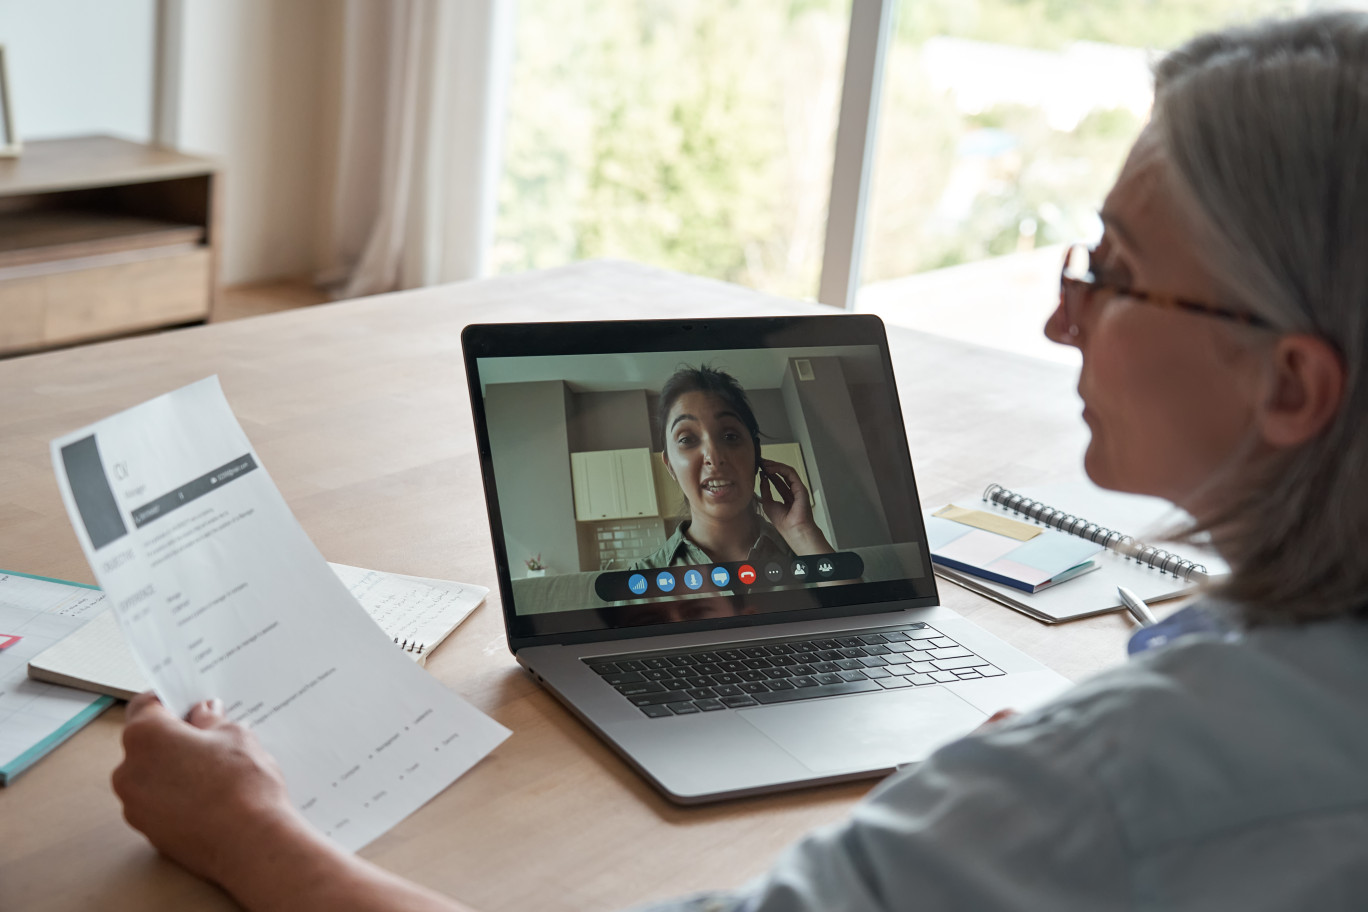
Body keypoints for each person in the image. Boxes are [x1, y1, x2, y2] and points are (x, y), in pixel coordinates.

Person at [113, 12, 1368, 910]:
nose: (1060, 318)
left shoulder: (1106, 778)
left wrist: (251, 834)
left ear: (1293, 383)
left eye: (1114, 275)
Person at [629, 365, 835, 572]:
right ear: (670, 466)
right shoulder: (643, 578)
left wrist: (803, 534)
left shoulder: (805, 556)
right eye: (687, 439)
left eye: (730, 436)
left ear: (756, 452)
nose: (714, 457)